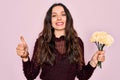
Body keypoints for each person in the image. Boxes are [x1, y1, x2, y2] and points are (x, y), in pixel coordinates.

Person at [16, 3, 105, 80]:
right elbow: (30, 75)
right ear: (49, 21)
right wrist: (25, 57)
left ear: (68, 19)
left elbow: (82, 76)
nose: (59, 18)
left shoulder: (77, 42)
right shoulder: (41, 42)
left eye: (63, 14)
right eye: (54, 15)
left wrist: (93, 62)